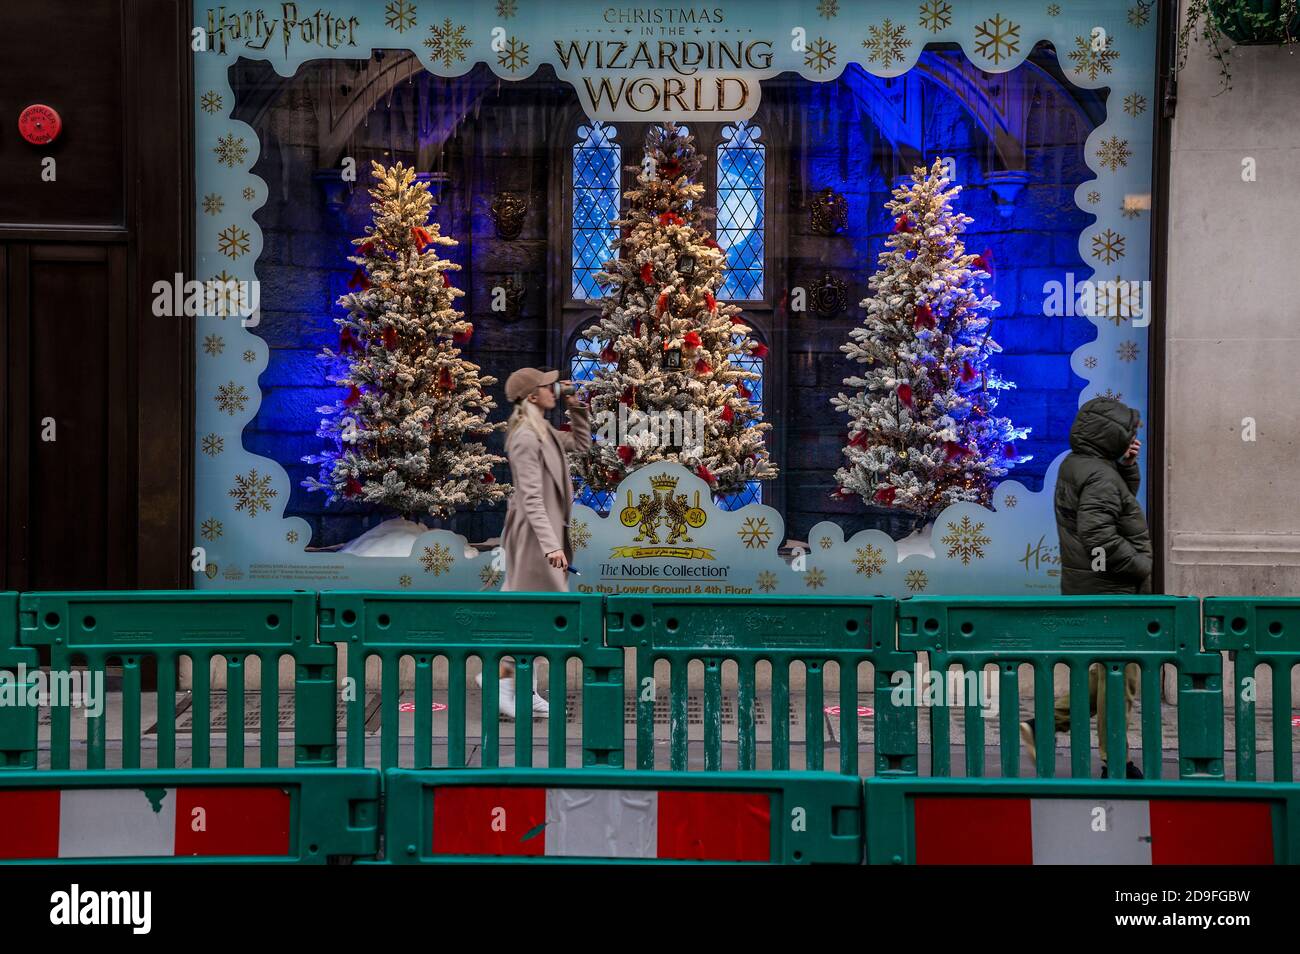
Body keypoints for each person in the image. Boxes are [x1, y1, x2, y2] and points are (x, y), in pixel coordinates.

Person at [1021, 396, 1152, 779]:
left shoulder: (1082, 466)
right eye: (1128, 432)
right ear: (1110, 434)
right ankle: (1116, 763)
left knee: (1105, 674)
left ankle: (1044, 726)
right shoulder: (1099, 475)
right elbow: (1098, 536)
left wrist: (1126, 465)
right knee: (1119, 676)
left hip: (1092, 585)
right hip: (1109, 588)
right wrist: (1141, 565)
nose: (1133, 439)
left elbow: (1117, 501)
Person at [482, 366, 591, 719]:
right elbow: (530, 498)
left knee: (536, 612)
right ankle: (501, 679)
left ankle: (517, 685)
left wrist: (576, 408)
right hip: (534, 537)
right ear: (531, 395)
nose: (554, 389)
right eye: (548, 386)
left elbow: (581, 445)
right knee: (537, 610)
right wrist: (550, 546)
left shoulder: (542, 430)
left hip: (545, 534)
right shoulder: (525, 437)